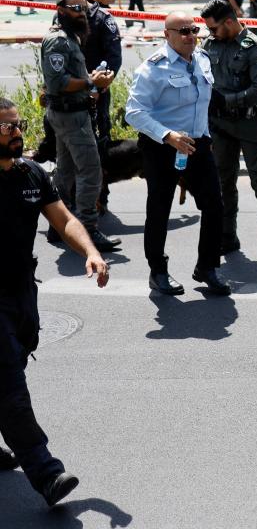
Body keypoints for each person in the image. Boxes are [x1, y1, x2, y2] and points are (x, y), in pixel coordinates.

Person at [0, 97, 109, 507]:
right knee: (9, 384)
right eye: (6, 127)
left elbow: (63, 219)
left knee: (17, 355)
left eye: (18, 124)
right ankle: (45, 473)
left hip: (22, 292)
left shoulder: (30, 174)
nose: (16, 132)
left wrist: (91, 252)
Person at [124, 12, 230, 295]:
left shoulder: (202, 60)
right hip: (162, 148)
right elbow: (133, 113)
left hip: (197, 145)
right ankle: (158, 271)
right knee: (159, 210)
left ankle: (207, 267)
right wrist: (168, 135)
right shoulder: (153, 68)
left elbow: (202, 103)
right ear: (167, 35)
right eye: (182, 31)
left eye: (193, 30)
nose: (190, 36)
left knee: (215, 206)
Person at [199, 0, 257, 264]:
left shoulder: (255, 46)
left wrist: (228, 100)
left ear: (229, 22)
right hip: (219, 126)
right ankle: (228, 237)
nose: (211, 33)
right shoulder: (209, 45)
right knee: (223, 183)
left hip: (250, 124)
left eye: (214, 28)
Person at [41, 0, 120, 251]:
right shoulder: (59, 41)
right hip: (70, 115)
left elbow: (68, 75)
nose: (82, 12)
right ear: (61, 11)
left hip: (70, 112)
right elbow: (57, 82)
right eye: (75, 7)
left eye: (84, 7)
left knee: (65, 171)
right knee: (90, 170)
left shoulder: (70, 37)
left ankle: (58, 225)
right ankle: (87, 227)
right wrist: (90, 82)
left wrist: (89, 77)